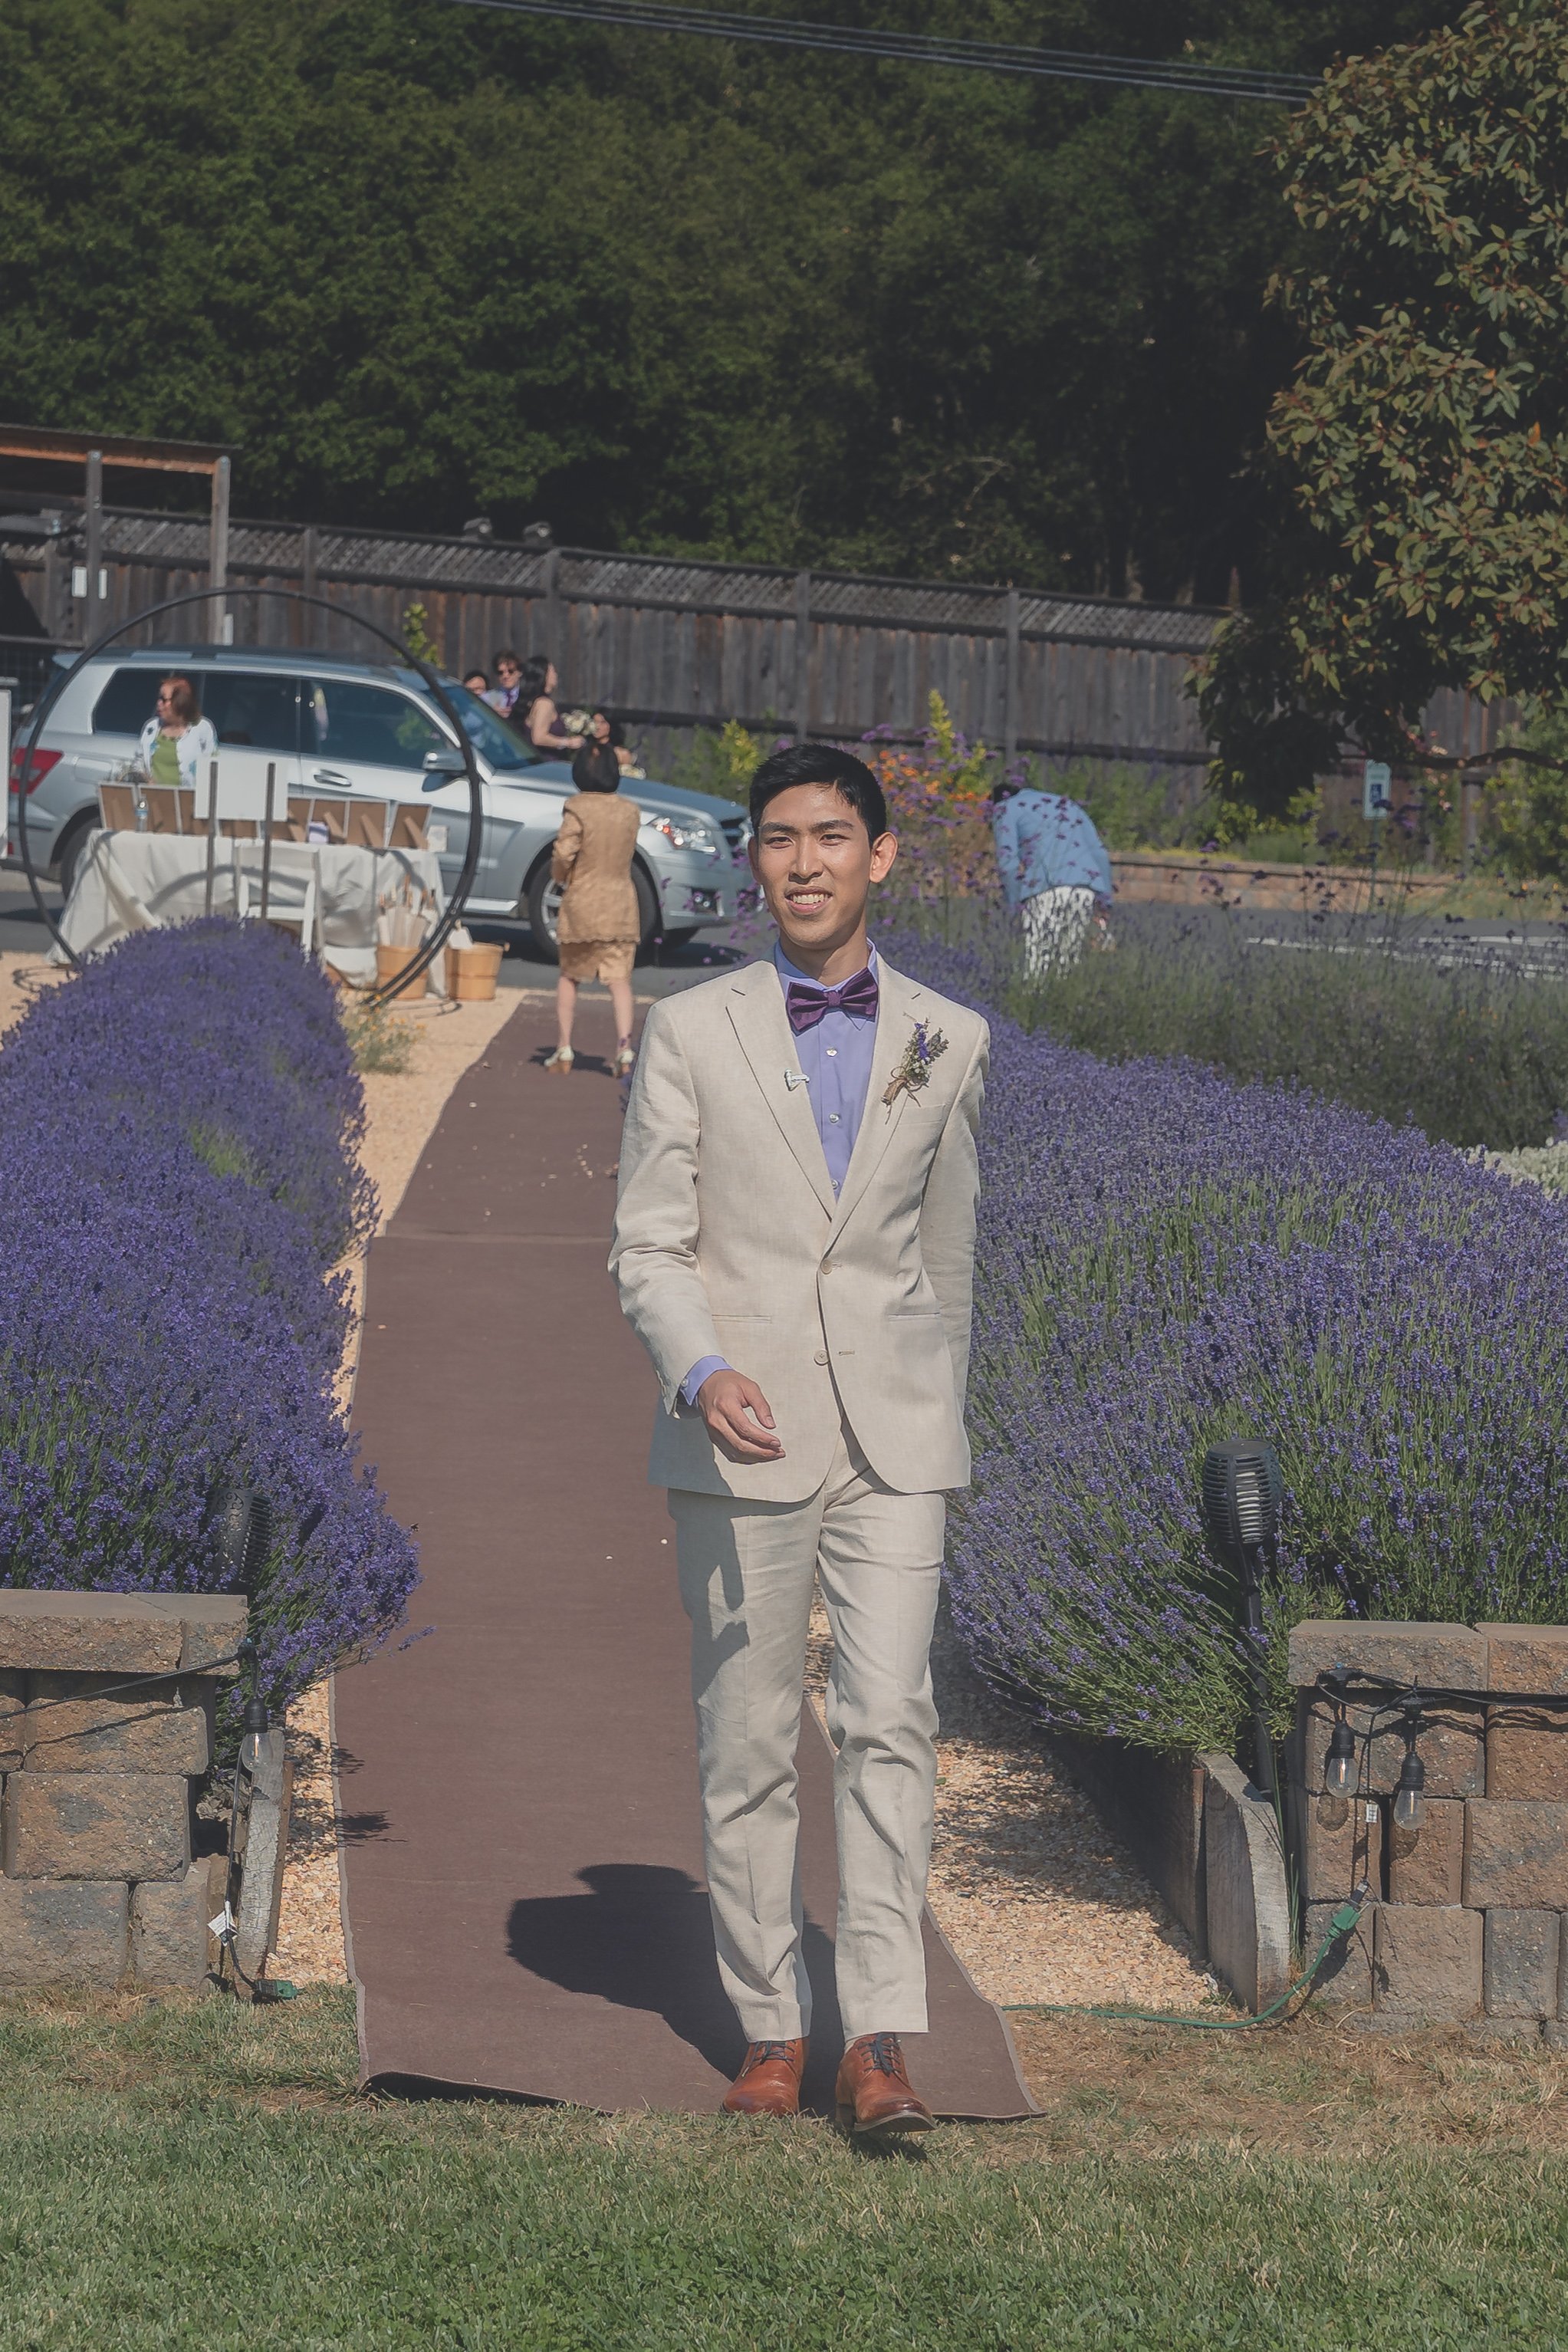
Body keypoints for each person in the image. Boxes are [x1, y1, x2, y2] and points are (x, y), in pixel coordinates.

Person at [610, 742, 988, 2138]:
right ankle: (772, 2026)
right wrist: (700, 1364)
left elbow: (945, 1258)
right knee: (750, 1737)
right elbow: (646, 1240)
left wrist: (936, 1405)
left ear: (881, 855)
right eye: (780, 838)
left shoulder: (952, 1039)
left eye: (833, 834)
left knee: (892, 1721)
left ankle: (877, 2038)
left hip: (897, 1445)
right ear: (755, 859)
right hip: (741, 1433)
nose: (806, 860)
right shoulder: (692, 1028)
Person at [544, 736, 641, 1077]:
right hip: (621, 904)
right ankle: (625, 1050)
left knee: (570, 977)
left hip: (583, 902)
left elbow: (564, 853)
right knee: (619, 981)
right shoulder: (630, 811)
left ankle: (564, 1048)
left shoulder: (577, 807)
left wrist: (561, 875)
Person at [989, 779, 1113, 975]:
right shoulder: (1068, 805)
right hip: (1084, 890)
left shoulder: (1005, 808)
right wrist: (1105, 903)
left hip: (1045, 889)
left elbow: (1008, 863)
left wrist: (1014, 906)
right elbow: (1099, 853)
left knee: (1037, 967)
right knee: (1067, 964)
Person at [136, 674, 218, 794]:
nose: (159, 703)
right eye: (159, 698)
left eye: (164, 699)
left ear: (180, 702)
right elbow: (139, 761)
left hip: (190, 802)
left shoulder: (202, 728)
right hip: (154, 801)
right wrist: (145, 781)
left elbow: (213, 767)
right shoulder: (151, 727)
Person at [514, 654, 577, 755]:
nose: (556, 675)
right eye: (553, 671)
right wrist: (568, 742)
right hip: (546, 760)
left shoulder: (533, 702)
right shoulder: (544, 704)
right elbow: (539, 738)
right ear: (544, 675)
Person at [485, 650, 524, 715]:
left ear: (519, 672)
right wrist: (490, 713)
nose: (505, 676)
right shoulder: (488, 697)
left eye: (510, 671)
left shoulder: (526, 697)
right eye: (501, 673)